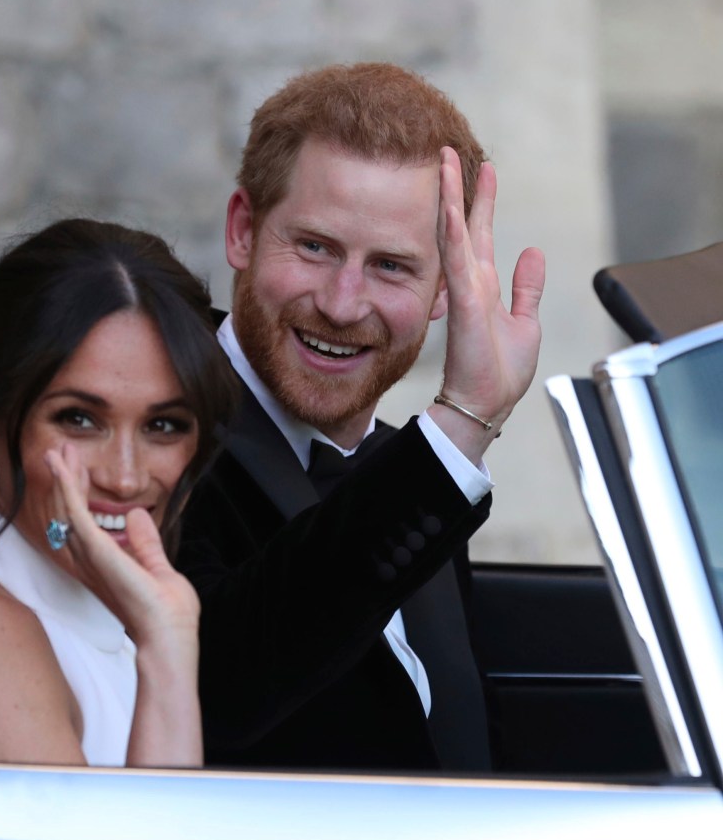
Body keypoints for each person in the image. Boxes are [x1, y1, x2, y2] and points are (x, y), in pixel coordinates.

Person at [177, 62, 546, 772]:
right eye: (315, 247)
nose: (343, 304)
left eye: (391, 267)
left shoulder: (407, 468)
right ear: (243, 232)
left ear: (445, 291)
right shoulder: (156, 432)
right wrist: (464, 421)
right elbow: (218, 690)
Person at [0, 219, 239, 767]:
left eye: (163, 426)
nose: (124, 477)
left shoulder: (105, 622)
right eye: (79, 419)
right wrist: (166, 649)